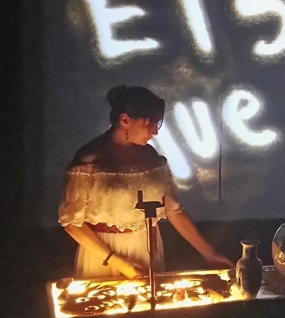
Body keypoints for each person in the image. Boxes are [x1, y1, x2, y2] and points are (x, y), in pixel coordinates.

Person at [59, 85, 233, 279]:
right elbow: (72, 224)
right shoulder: (90, 161)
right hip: (102, 254)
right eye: (149, 123)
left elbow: (172, 210)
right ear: (125, 120)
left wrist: (210, 254)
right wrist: (118, 262)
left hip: (145, 247)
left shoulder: (151, 158)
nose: (155, 132)